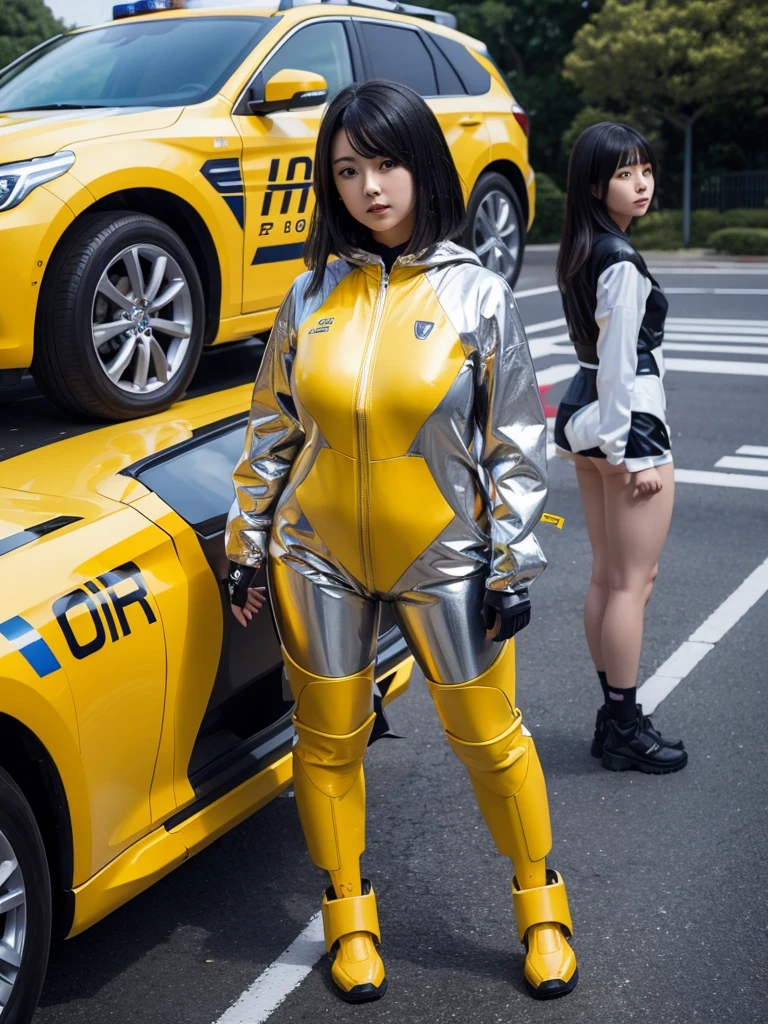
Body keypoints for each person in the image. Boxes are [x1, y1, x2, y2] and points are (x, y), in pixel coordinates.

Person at [225, 80, 577, 1003]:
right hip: (316, 556)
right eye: (347, 169)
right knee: (326, 741)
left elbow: (515, 444)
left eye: (385, 163)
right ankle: (349, 916)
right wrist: (244, 546)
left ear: (422, 165)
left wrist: (513, 562)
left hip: (447, 556)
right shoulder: (309, 296)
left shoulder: (479, 296)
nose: (370, 186)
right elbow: (271, 430)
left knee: (488, 738)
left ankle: (542, 905)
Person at [554, 122, 687, 774]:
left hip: (591, 421)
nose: (641, 185)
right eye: (625, 174)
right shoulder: (620, 261)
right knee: (633, 582)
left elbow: (600, 361)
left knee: (610, 576)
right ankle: (625, 724)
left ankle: (614, 716)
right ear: (594, 183)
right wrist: (633, 454)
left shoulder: (584, 247)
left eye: (646, 171)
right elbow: (621, 366)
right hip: (626, 427)